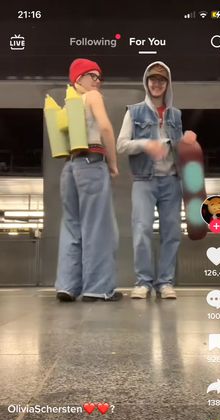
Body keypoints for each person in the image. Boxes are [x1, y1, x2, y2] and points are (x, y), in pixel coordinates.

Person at [117, 61, 197, 299]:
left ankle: (165, 282)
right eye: (152, 79)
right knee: (141, 230)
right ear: (146, 81)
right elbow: (121, 145)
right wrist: (146, 144)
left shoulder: (176, 114)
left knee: (171, 233)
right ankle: (143, 282)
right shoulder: (133, 112)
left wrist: (187, 141)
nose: (156, 84)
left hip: (172, 181)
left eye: (161, 80)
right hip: (144, 180)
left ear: (167, 84)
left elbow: (178, 148)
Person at [55, 58, 122, 302]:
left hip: (69, 168)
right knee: (98, 228)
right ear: (78, 79)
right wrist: (113, 163)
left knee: (71, 227)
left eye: (99, 77)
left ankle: (67, 285)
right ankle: (98, 289)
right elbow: (105, 128)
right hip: (92, 163)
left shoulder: (67, 105)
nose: (97, 81)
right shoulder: (92, 97)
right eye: (92, 76)